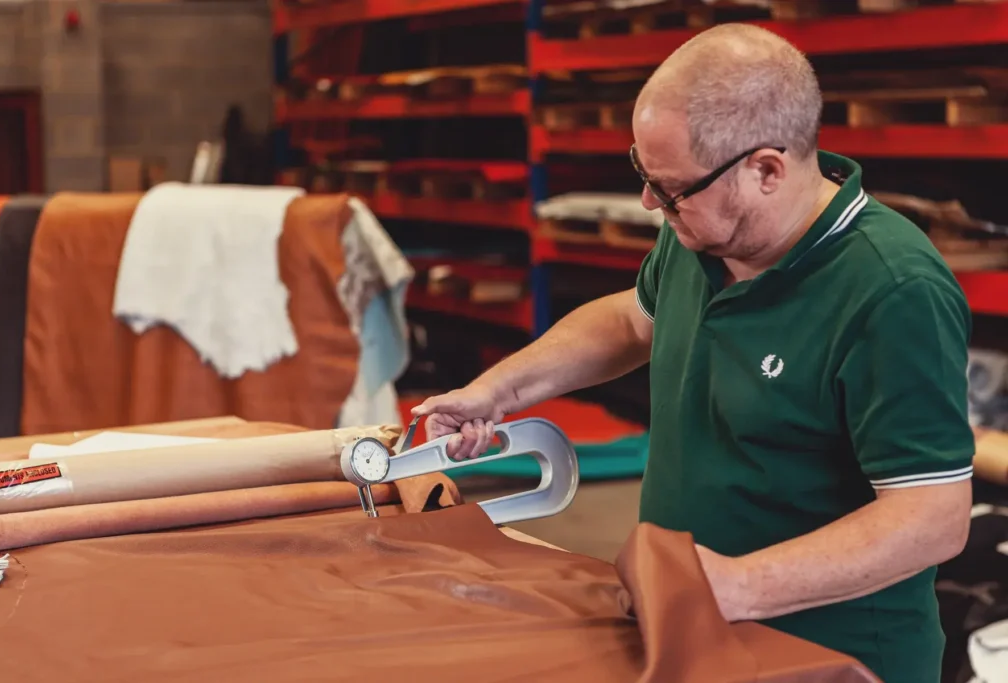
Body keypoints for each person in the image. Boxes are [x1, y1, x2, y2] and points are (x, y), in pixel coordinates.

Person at [410, 22, 974, 683]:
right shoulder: (703, 233)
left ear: (765, 169)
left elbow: (933, 517)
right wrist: (499, 392)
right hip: (692, 630)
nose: (652, 203)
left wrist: (738, 585)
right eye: (644, 175)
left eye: (671, 188)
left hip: (831, 658)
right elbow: (631, 321)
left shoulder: (892, 288)